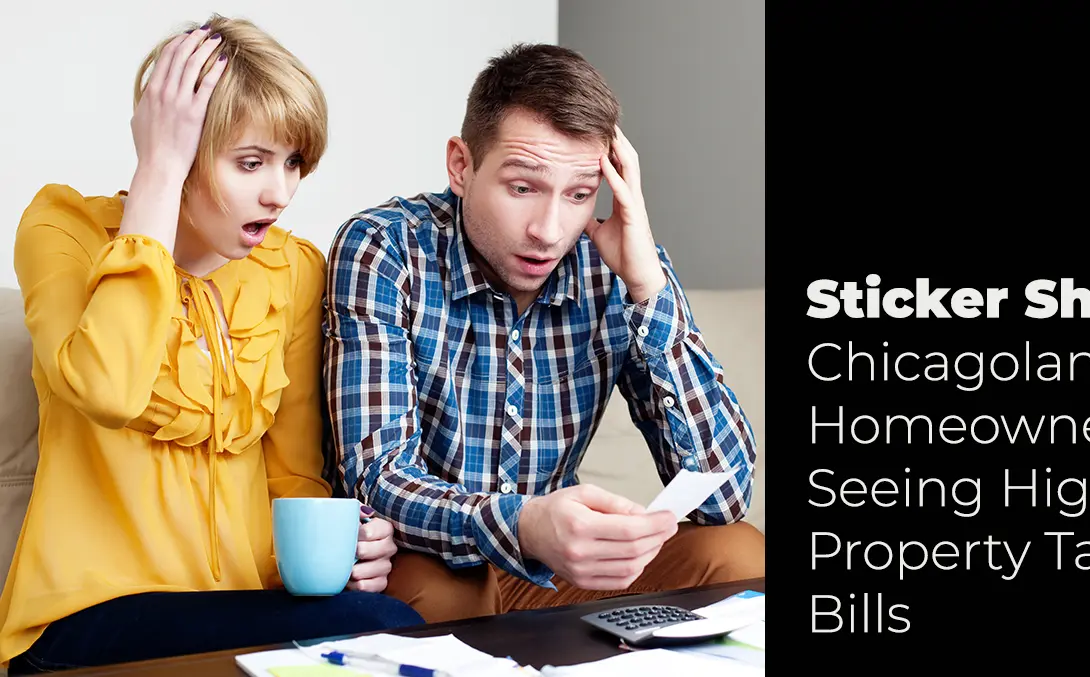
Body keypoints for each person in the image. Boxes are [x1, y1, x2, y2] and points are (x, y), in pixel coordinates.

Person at [0, 16, 423, 674]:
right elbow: (107, 390)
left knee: (390, 631)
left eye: (292, 163)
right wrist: (158, 176)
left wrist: (350, 543)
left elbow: (292, 473)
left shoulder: (292, 269)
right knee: (385, 629)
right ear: (179, 147)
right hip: (84, 619)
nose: (279, 192)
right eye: (251, 162)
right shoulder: (63, 229)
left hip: (241, 610)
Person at [322, 42, 764, 623]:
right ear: (461, 165)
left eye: (580, 195)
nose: (549, 231)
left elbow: (724, 497)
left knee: (737, 553)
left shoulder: (615, 267)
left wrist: (649, 288)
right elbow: (377, 479)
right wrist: (525, 525)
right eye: (523, 187)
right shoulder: (385, 248)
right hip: (431, 560)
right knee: (454, 593)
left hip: (562, 574)